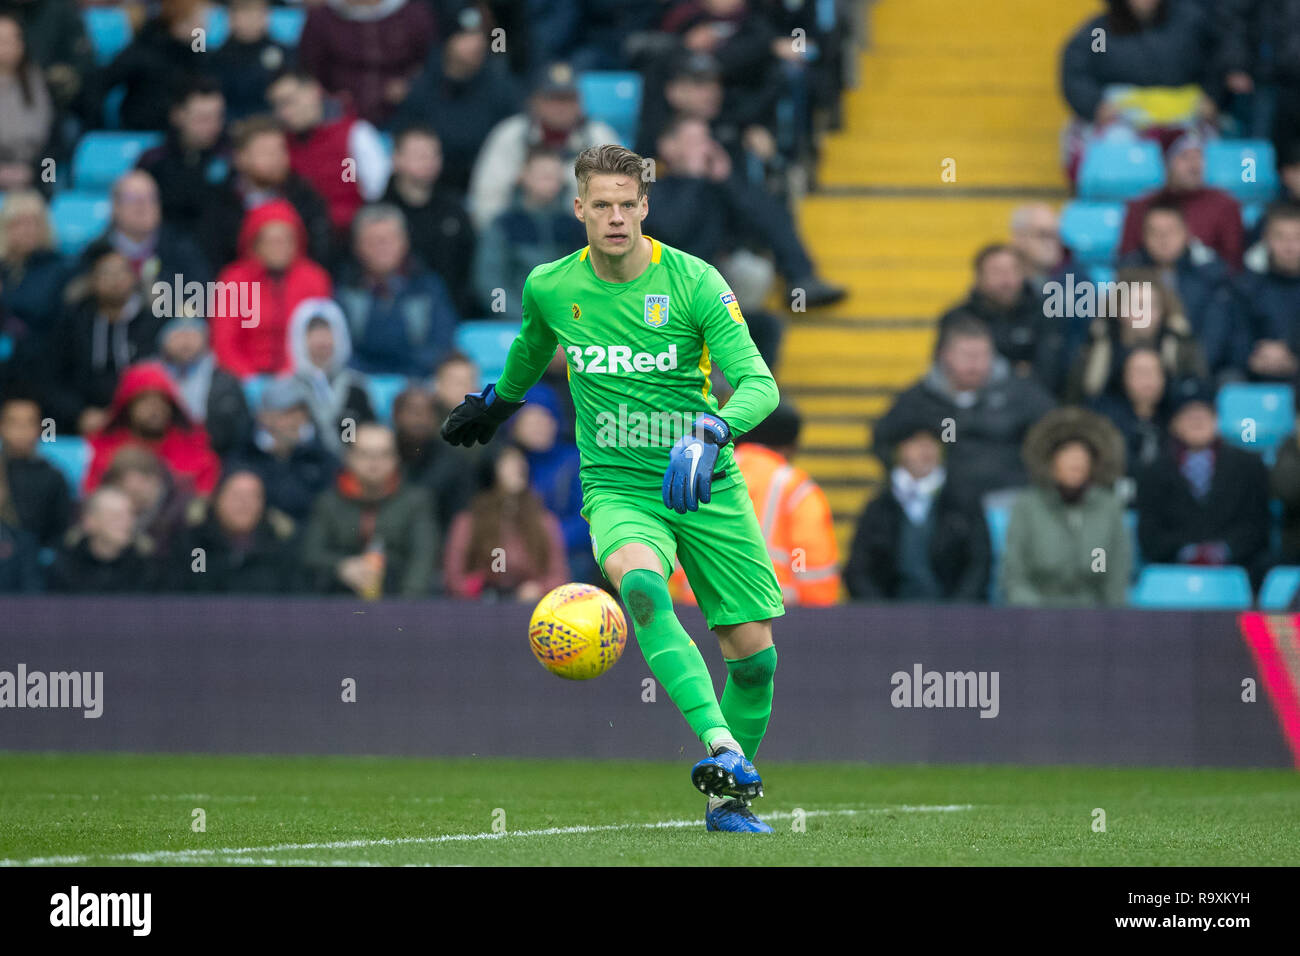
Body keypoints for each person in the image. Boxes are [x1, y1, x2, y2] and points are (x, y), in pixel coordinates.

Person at [441, 144, 783, 833]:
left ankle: (727, 804)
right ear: (580, 209)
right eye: (603, 205)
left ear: (645, 208)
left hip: (704, 480)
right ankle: (721, 749)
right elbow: (535, 346)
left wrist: (713, 430)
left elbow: (760, 385)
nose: (617, 217)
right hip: (619, 485)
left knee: (755, 661)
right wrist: (499, 403)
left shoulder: (693, 281)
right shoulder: (551, 285)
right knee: (643, 588)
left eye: (629, 205)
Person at [874, 316, 1056, 500]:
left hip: (1009, 501)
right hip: (942, 505)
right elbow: (883, 439)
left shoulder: (1021, 394)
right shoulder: (920, 400)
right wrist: (906, 468)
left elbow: (1054, 434)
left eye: (983, 354)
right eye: (967, 355)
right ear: (944, 355)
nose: (975, 364)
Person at [1136, 381, 1272, 587]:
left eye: (1203, 413)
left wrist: (1222, 551)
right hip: (1173, 577)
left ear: (1217, 419)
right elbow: (1150, 534)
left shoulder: (1249, 465)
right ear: (1174, 424)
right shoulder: (1153, 470)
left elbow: (1258, 527)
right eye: (1188, 415)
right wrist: (1187, 552)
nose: (1196, 420)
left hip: (1239, 572)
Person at [466, 62, 620, 233]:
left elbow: (621, 197)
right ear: (535, 101)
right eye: (553, 99)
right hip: (520, 243)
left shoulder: (600, 138)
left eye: (568, 99)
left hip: (582, 242)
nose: (561, 108)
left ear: (580, 103)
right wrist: (499, 240)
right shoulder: (511, 135)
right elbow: (487, 199)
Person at [845, 423, 990, 603]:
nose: (925, 449)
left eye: (932, 442)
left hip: (952, 618)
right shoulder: (879, 507)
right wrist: (880, 614)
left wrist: (958, 611)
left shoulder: (963, 504)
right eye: (916, 442)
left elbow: (979, 563)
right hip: (891, 618)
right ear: (899, 450)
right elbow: (859, 570)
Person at [715, 402, 841, 605]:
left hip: (700, 614)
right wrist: (813, 605)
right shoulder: (794, 487)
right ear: (790, 446)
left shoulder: (704, 473)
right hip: (774, 614)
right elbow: (804, 553)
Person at [1003, 407, 1132, 607]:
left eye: (1083, 455)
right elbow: (1014, 576)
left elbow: (1115, 576)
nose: (1076, 461)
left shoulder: (1109, 509)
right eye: (1068, 453)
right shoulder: (1027, 507)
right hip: (1038, 616)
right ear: (1050, 461)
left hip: (1094, 618)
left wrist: (1111, 622)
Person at [301, 421, 437, 597]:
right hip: (336, 603)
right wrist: (341, 566)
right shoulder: (328, 502)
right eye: (365, 454)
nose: (374, 463)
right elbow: (310, 553)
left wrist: (408, 605)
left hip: (398, 602)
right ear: (349, 457)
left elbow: (422, 557)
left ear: (396, 458)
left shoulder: (416, 501)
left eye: (384, 454)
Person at [392, 7, 520, 194]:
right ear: (447, 41)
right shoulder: (421, 88)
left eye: (479, 35)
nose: (476, 43)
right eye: (465, 36)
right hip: (431, 188)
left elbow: (511, 140)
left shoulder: (501, 85)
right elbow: (406, 140)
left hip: (489, 186)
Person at [44, 245, 165, 435]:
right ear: (92, 281)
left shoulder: (153, 323)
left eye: (122, 272)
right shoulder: (73, 323)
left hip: (139, 422)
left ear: (134, 278)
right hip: (82, 422)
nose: (115, 280)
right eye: (106, 273)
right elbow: (53, 378)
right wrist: (80, 414)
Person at [1118, 199, 1242, 376]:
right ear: (1144, 237)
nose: (1163, 240)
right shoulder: (1128, 275)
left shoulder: (1210, 278)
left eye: (1170, 232)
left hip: (1195, 372)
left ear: (1186, 233)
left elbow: (1214, 337)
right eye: (1155, 233)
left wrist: (1190, 372)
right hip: (1138, 375)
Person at [210, 199, 333, 378]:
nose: (279, 248)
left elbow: (318, 336)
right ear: (255, 243)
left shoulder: (314, 279)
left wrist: (292, 375)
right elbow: (224, 342)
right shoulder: (233, 280)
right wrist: (248, 378)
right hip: (244, 380)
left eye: (286, 240)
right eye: (271, 241)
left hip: (301, 375)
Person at [333, 204, 458, 376]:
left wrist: (409, 379)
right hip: (361, 384)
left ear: (405, 242)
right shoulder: (345, 289)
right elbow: (340, 348)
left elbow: (441, 343)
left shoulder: (428, 287)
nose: (382, 247)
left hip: (419, 384)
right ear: (357, 247)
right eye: (373, 241)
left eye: (389, 239)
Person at [200, 115, 336, 270]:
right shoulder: (220, 203)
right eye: (265, 152)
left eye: (281, 150)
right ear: (240, 158)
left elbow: (322, 250)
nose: (277, 158)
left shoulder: (304, 194)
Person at [441, 442, 569, 600]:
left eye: (519, 461)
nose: (517, 467)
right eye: (507, 462)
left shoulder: (544, 521)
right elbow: (453, 579)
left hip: (531, 608)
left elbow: (559, 576)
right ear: (491, 469)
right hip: (478, 611)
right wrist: (479, 587)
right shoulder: (469, 522)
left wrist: (539, 588)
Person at [473, 146, 587, 323]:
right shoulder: (503, 225)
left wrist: (573, 318)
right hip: (513, 327)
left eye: (555, 175)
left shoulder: (575, 226)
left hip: (566, 327)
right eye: (543, 175)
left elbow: (586, 280)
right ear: (523, 176)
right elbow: (491, 282)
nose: (551, 180)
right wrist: (521, 318)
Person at [267, 69, 391, 233]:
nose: (284, 113)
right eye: (277, 106)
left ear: (313, 91)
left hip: (353, 236)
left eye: (289, 101)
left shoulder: (356, 133)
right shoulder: (280, 144)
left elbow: (378, 193)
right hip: (300, 235)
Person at [82, 361, 221, 497]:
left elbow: (203, 500)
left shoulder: (193, 448)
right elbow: (92, 497)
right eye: (145, 401)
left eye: (162, 401)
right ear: (128, 406)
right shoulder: (101, 450)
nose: (155, 409)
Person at [1067, 268, 1207, 402]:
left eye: (1152, 306)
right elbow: (1077, 394)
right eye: (1137, 305)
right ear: (1119, 310)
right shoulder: (1098, 342)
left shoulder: (1180, 342)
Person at [938, 243, 1062, 391]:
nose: (1006, 280)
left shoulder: (1046, 314)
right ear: (979, 277)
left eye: (1013, 271)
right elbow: (946, 373)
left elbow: (1050, 371)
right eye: (997, 272)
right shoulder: (957, 319)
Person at [382, 125, 477, 316]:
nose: (429, 161)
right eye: (419, 155)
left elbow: (470, 267)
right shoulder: (379, 213)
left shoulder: (455, 210)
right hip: (395, 315)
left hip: (453, 313)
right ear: (396, 159)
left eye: (434, 154)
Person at [296, 0, 435, 128]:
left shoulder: (413, 13)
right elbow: (309, 69)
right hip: (339, 118)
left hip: (402, 115)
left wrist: (409, 85)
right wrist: (329, 96)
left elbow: (429, 62)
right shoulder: (322, 18)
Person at [1118, 133, 1246, 271]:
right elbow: (1127, 263)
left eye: (1199, 156)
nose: (1195, 165)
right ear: (1167, 163)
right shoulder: (1141, 207)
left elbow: (1234, 265)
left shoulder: (1226, 206)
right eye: (1185, 157)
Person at [225, 376, 338, 523]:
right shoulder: (244, 454)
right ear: (264, 418)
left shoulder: (322, 458)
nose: (295, 420)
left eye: (301, 412)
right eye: (286, 413)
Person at [136, 78, 230, 242]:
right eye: (203, 118)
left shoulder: (231, 157)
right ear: (177, 115)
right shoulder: (153, 162)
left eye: (218, 117)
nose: (213, 126)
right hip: (166, 249)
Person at [174, 468, 299, 592]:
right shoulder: (195, 546)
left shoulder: (278, 548)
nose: (244, 503)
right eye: (236, 495)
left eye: (253, 496)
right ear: (217, 499)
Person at [286, 297, 375, 454]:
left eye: (328, 331)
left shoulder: (357, 388)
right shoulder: (286, 390)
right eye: (313, 332)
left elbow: (365, 435)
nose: (321, 340)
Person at [157, 316, 253, 457]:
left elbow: (239, 433)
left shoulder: (226, 382)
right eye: (178, 335)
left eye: (192, 334)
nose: (185, 342)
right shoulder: (153, 379)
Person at [45, 486, 156, 593]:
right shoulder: (64, 566)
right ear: (90, 521)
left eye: (129, 515)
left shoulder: (147, 566)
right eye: (115, 516)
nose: (126, 523)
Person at [1237, 202, 1300, 383]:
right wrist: (1254, 358)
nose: (1289, 246)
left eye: (1297, 237)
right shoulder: (1246, 288)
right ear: (1266, 239)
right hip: (1255, 372)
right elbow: (1236, 339)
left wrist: (1293, 356)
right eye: (1280, 237)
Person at [1087, 346, 1172, 477]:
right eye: (1140, 372)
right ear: (1123, 377)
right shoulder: (1104, 418)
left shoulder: (1173, 417)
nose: (1148, 379)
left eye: (1155, 371)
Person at [0, 392, 70, 549]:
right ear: (2, 426)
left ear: (39, 429)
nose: (21, 430)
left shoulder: (53, 476)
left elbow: (60, 531)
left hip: (35, 559)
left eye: (29, 423)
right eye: (13, 423)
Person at [209, 0, 290, 121]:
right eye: (244, 13)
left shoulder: (285, 52)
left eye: (257, 13)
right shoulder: (217, 58)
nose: (251, 20)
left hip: (277, 122)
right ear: (230, 18)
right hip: (234, 125)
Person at [0, 12, 52, 192]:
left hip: (34, 165)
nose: (7, 47)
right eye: (2, 40)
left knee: (51, 166)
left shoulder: (36, 81)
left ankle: (49, 201)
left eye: (13, 39)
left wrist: (32, 171)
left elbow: (50, 133)